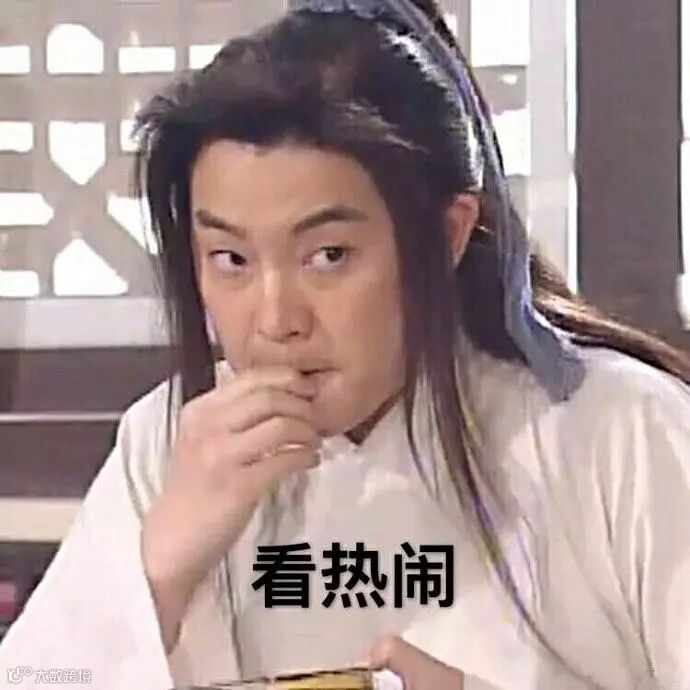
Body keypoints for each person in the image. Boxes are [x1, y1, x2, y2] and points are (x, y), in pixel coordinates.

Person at [1, 1, 689, 688]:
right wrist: (156, 570)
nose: (276, 319)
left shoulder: (618, 429)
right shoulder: (167, 443)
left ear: (447, 235)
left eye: (328, 255)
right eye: (231, 259)